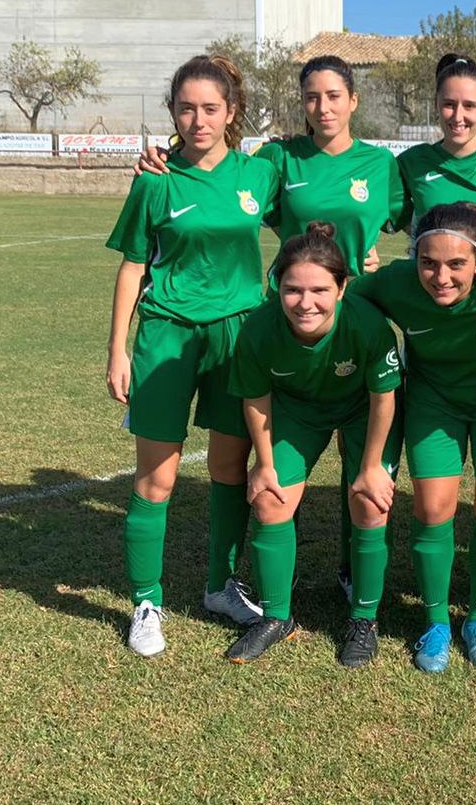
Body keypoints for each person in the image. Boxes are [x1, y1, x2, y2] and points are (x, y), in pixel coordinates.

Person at [138, 54, 406, 599]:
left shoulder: (381, 166)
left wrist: (369, 256)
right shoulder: (279, 158)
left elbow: (409, 219)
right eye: (312, 96)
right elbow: (218, 179)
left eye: (334, 95)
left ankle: (355, 573)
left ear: (354, 100)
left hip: (356, 324)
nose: (323, 106)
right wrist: (161, 157)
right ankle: (271, 577)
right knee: (286, 452)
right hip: (290, 321)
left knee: (363, 457)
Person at [106, 54, 278, 656]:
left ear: (232, 113)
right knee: (158, 477)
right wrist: (118, 349)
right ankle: (146, 601)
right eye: (186, 108)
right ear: (172, 112)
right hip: (166, 334)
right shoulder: (154, 178)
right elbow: (132, 264)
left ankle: (218, 587)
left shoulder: (259, 175)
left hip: (238, 336)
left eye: (210, 108)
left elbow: (316, 217)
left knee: (230, 471)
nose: (197, 120)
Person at [351, 203, 476, 673]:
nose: (441, 276)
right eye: (428, 262)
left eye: (456, 264)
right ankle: (435, 622)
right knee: (433, 508)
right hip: (435, 403)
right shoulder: (395, 283)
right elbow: (344, 299)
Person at [224, 222, 401, 666]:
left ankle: (363, 620)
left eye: (320, 289)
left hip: (363, 411)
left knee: (368, 500)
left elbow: (384, 399)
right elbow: (256, 400)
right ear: (277, 287)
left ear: (342, 287)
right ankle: (277, 617)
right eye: (292, 290)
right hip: (299, 413)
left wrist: (372, 465)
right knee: (269, 499)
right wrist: (263, 464)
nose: (306, 303)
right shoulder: (259, 329)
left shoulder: (366, 324)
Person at [396, 54, 476, 234]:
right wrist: (424, 241)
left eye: (469, 105)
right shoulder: (412, 162)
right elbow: (386, 210)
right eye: (449, 104)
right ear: (436, 104)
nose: (458, 117)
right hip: (433, 263)